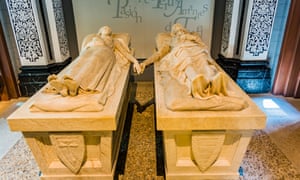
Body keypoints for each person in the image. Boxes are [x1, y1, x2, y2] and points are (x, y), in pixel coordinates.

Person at [140, 23, 247, 110]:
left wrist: (191, 38)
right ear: (173, 34)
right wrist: (145, 63)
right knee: (186, 60)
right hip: (181, 52)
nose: (180, 31)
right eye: (176, 31)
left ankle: (213, 81)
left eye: (181, 29)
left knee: (204, 62)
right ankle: (195, 80)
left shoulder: (193, 37)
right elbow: (159, 54)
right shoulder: (171, 41)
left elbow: (204, 47)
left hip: (197, 51)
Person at [46, 26, 142, 98]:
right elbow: (83, 52)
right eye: (105, 32)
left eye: (109, 33)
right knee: (79, 62)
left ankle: (75, 84)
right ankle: (64, 84)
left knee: (92, 63)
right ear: (100, 33)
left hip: (105, 54)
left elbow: (125, 53)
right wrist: (91, 45)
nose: (108, 33)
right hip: (91, 51)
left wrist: (136, 62)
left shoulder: (114, 41)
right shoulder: (94, 39)